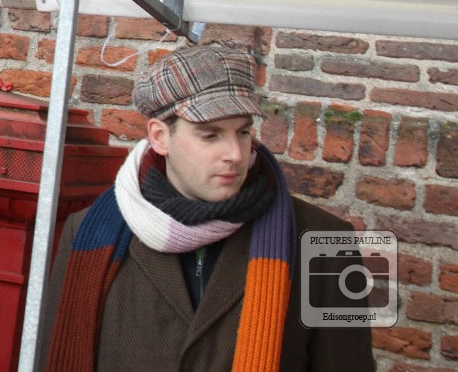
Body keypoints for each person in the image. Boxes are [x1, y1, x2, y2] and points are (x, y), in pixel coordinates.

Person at [43, 44, 376, 372]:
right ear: (160, 137)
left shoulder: (327, 242)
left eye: (242, 132)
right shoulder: (87, 232)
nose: (235, 153)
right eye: (210, 135)